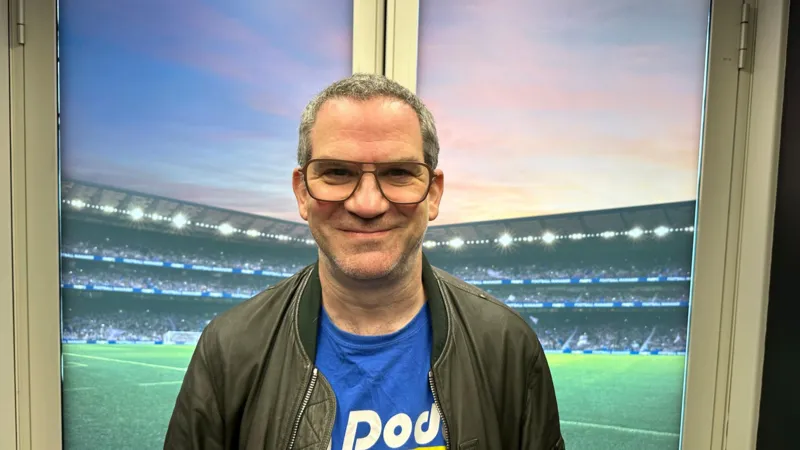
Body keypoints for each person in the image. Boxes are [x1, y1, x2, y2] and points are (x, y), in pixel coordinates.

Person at [164, 73, 565, 450]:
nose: (368, 204)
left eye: (399, 173)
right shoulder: (229, 349)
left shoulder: (508, 346)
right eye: (337, 172)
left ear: (433, 193)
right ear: (302, 193)